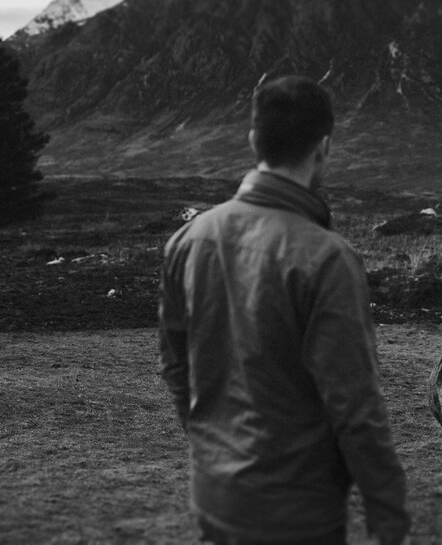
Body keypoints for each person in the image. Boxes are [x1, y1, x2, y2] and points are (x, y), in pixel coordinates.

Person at [159, 75, 410, 545]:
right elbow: (356, 407)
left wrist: (211, 447)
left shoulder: (188, 241)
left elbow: (176, 366)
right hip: (299, 514)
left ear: (254, 140)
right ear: (325, 148)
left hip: (216, 497)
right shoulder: (329, 259)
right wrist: (389, 521)